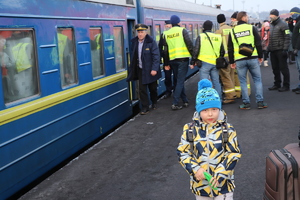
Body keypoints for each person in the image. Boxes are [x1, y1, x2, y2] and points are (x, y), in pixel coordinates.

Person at [177, 79, 242, 200]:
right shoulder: (190, 129)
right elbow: (183, 152)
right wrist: (195, 169)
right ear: (198, 110)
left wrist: (220, 174)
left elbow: (234, 153)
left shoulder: (228, 129)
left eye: (214, 109)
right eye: (205, 110)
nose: (210, 114)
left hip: (223, 186)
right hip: (201, 187)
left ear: (219, 109)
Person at [228, 11, 268, 110]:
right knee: (257, 80)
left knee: (243, 82)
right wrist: (260, 56)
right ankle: (260, 102)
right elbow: (258, 42)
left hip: (240, 60)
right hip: (253, 58)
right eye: (247, 16)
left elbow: (230, 48)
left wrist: (232, 62)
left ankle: (246, 103)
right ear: (244, 18)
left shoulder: (232, 31)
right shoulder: (251, 28)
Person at [126, 24, 161, 115]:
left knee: (152, 88)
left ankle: (154, 102)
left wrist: (154, 69)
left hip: (150, 70)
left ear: (146, 32)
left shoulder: (151, 42)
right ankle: (145, 107)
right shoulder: (134, 42)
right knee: (142, 89)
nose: (140, 34)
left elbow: (156, 56)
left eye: (142, 32)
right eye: (139, 32)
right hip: (141, 69)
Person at [162, 15, 193, 110]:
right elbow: (189, 45)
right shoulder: (182, 31)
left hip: (172, 61)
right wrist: (194, 59)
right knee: (180, 81)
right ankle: (175, 103)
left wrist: (166, 63)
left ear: (171, 23)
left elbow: (165, 50)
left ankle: (185, 100)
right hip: (182, 60)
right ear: (179, 23)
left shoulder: (166, 34)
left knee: (179, 80)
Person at [191, 20, 224, 98]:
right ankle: (218, 100)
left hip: (204, 63)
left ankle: (205, 101)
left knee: (204, 83)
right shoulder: (218, 37)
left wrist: (192, 62)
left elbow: (196, 50)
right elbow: (221, 51)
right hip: (215, 63)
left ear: (204, 27)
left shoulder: (201, 36)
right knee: (216, 83)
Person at [268, 9, 291, 92]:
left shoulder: (283, 24)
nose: (270, 17)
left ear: (276, 16)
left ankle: (286, 85)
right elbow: (271, 38)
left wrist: (285, 49)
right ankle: (277, 84)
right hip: (273, 50)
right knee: (275, 68)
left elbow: (287, 38)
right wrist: (268, 48)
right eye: (270, 15)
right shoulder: (271, 25)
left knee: (283, 68)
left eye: (272, 15)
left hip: (281, 50)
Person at [215, 14, 237, 104]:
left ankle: (230, 96)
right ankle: (234, 93)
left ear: (218, 21)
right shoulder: (231, 29)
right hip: (233, 55)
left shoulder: (219, 31)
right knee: (231, 75)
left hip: (224, 57)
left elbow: (217, 46)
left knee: (225, 76)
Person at [230, 11, 251, 98]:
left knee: (238, 77)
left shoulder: (234, 29)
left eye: (232, 19)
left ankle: (240, 94)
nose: (231, 21)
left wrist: (232, 60)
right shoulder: (248, 27)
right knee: (246, 77)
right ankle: (247, 93)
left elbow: (231, 46)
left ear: (236, 19)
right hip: (248, 55)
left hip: (238, 56)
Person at [159, 20, 176, 99]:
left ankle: (176, 91)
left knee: (176, 77)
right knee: (167, 77)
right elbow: (160, 48)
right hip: (167, 60)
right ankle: (168, 91)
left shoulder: (175, 35)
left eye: (169, 25)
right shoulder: (163, 35)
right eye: (166, 25)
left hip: (175, 60)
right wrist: (163, 62)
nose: (167, 27)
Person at [290, 7, 300, 94]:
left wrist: (296, 47)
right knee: (298, 68)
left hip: (299, 48)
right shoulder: (297, 22)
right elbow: (293, 32)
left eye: (292, 14)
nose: (291, 16)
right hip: (297, 49)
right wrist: (290, 22)